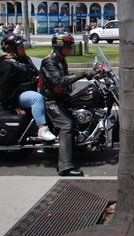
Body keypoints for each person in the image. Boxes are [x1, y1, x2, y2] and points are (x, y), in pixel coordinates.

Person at [39, 32, 96, 177]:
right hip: (51, 100)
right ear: (59, 47)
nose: (71, 48)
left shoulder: (60, 59)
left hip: (61, 97)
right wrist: (83, 73)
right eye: (68, 46)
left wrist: (94, 72)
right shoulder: (49, 62)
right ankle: (65, 167)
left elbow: (66, 75)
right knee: (66, 126)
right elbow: (59, 81)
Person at [0, 34, 56, 141]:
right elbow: (5, 88)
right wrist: (14, 106)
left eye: (23, 46)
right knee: (36, 98)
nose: (23, 48)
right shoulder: (7, 65)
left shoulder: (23, 60)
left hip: (29, 90)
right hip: (17, 96)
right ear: (12, 49)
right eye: (20, 47)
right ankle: (42, 129)